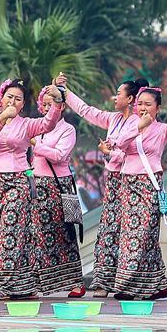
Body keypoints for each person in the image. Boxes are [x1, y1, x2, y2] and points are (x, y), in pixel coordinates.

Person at [54, 72, 146, 297]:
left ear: (130, 99)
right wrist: (65, 91)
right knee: (108, 229)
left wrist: (109, 153)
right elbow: (86, 110)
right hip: (112, 183)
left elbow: (128, 154)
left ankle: (130, 282)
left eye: (118, 94)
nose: (115, 98)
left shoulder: (139, 122)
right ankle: (104, 281)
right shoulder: (113, 119)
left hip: (131, 182)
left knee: (129, 233)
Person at [0, 79, 64, 300]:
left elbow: (48, 124)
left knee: (11, 230)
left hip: (20, 179)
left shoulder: (26, 124)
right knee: (6, 231)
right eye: (9, 97)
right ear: (1, 99)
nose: (13, 101)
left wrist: (56, 102)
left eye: (18, 99)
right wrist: (3, 117)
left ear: (23, 104)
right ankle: (23, 285)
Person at [113, 80, 167, 300]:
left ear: (157, 108)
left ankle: (133, 284)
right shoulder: (131, 125)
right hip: (129, 183)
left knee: (144, 233)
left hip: (150, 184)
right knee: (131, 233)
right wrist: (138, 127)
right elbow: (119, 144)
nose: (143, 107)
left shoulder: (163, 130)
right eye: (140, 103)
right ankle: (147, 284)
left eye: (148, 104)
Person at [30, 86, 85, 297]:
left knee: (64, 234)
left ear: (60, 107)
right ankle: (39, 282)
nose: (46, 108)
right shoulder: (39, 127)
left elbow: (60, 156)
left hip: (58, 186)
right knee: (38, 235)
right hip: (38, 185)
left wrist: (37, 145)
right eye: (43, 104)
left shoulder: (67, 129)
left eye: (50, 104)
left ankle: (74, 282)